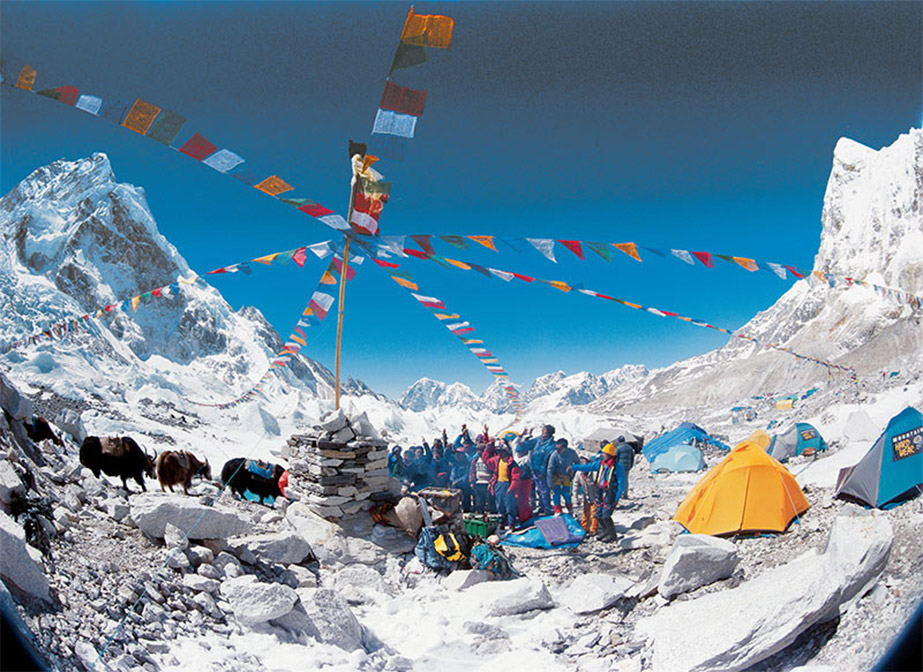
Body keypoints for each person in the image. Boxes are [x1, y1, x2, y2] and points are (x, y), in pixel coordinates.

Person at [594, 442, 627, 542]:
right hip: (601, 492)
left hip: (610, 493)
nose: (602, 455)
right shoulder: (602, 465)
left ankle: (612, 535)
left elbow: (621, 484)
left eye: (604, 453)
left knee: (606, 515)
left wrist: (617, 498)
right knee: (599, 513)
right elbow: (589, 467)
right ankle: (604, 532)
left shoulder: (617, 467)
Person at [519, 424, 556, 515]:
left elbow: (547, 460)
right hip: (534, 470)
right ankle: (541, 506)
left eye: (544, 431)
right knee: (539, 490)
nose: (542, 433)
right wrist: (525, 439)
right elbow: (525, 446)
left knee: (544, 489)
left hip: (544, 472)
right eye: (542, 431)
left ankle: (547, 507)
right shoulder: (538, 441)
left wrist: (542, 471)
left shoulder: (551, 445)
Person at [546, 438, 580, 515]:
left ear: (565, 448)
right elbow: (550, 469)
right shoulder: (554, 455)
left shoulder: (572, 453)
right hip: (556, 476)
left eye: (559, 449)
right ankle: (557, 509)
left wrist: (572, 474)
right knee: (556, 494)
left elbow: (578, 463)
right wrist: (550, 483)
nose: (557, 450)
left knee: (566, 494)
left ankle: (570, 508)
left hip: (567, 476)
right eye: (556, 448)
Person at [508, 443, 534, 527]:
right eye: (518, 452)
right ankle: (521, 516)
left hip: (525, 481)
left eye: (521, 452)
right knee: (518, 500)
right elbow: (515, 443)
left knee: (524, 500)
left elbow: (531, 451)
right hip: (517, 482)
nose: (519, 454)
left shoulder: (527, 459)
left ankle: (526, 517)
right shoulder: (514, 458)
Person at [571, 455, 598, 535]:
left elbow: (599, 485)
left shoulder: (594, 473)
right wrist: (575, 498)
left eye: (584, 461)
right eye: (582, 461)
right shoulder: (579, 473)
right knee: (586, 512)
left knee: (594, 513)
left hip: (595, 496)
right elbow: (575, 486)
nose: (583, 463)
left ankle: (593, 529)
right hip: (586, 496)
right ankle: (584, 527)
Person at [470, 443, 493, 513]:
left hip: (488, 483)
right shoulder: (475, 460)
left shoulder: (489, 460)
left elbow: (493, 471)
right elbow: (472, 471)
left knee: (490, 500)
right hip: (479, 482)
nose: (479, 452)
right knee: (479, 500)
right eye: (477, 450)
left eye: (480, 450)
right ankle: (480, 513)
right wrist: (472, 481)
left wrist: (491, 482)